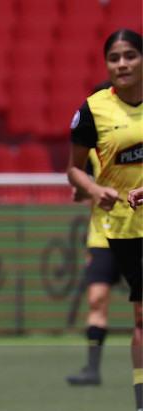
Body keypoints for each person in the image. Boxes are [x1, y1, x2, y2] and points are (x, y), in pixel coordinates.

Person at [66, 29, 143, 411]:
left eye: (130, 55)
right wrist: (96, 190)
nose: (123, 64)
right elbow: (75, 174)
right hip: (114, 229)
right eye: (115, 57)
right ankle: (99, 373)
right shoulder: (95, 112)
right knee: (116, 305)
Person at [67, 146, 123, 386]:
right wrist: (81, 192)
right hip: (103, 236)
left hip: (138, 234)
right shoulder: (93, 151)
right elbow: (82, 184)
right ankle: (92, 369)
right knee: (96, 299)